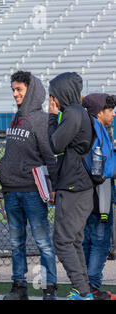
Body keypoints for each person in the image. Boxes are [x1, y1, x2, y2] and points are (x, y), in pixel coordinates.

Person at [0, 71, 58, 300]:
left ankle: (49, 287)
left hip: (33, 191)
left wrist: (53, 187)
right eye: (13, 89)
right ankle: (19, 287)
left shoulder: (41, 120)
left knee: (43, 243)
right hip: (12, 190)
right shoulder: (16, 117)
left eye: (19, 89)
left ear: (30, 90)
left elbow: (50, 157)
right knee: (16, 244)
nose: (15, 94)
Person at [47, 72, 95, 300]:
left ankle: (82, 291)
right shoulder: (79, 113)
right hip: (79, 184)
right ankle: (83, 289)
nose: (52, 99)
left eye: (54, 95)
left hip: (74, 185)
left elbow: (54, 144)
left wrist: (51, 117)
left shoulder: (72, 113)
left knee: (63, 240)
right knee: (73, 240)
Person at [82, 93, 116, 300]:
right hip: (99, 197)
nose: (113, 114)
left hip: (87, 196)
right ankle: (92, 286)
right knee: (100, 242)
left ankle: (84, 285)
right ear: (99, 112)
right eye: (110, 110)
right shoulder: (97, 131)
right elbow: (102, 169)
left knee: (87, 241)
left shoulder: (87, 128)